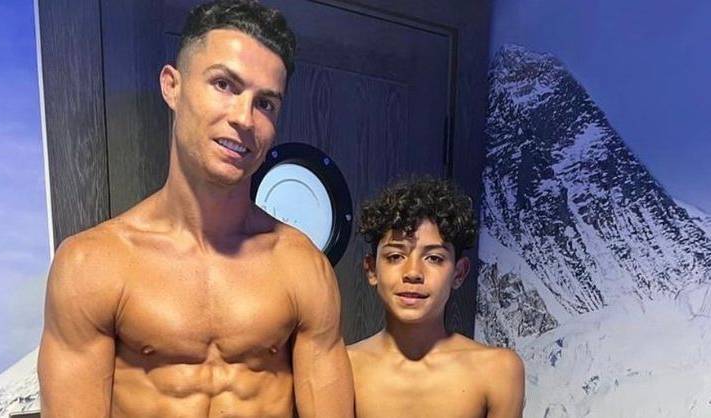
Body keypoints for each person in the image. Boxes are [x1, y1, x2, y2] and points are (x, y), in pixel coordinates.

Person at [37, 1, 354, 416]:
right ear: (173, 86)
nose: (244, 118)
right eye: (224, 84)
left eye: (265, 104)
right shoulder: (92, 264)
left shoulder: (303, 267)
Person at [348, 177, 524, 418]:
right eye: (395, 256)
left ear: (458, 274)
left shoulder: (497, 370)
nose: (412, 273)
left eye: (434, 258)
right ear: (371, 270)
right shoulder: (343, 368)